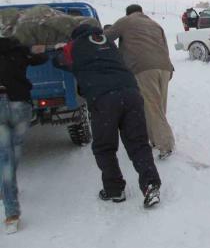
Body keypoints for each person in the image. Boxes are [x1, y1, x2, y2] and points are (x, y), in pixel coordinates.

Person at [53, 24, 161, 208]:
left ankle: (114, 190)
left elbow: (59, 61)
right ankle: (150, 185)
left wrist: (59, 50)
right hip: (131, 93)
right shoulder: (108, 42)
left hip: (103, 98)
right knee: (138, 143)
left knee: (104, 147)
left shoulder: (75, 45)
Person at [104, 5, 175, 160]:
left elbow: (107, 37)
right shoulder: (155, 24)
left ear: (128, 13)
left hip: (143, 67)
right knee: (158, 106)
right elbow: (165, 46)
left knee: (151, 107)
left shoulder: (126, 21)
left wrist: (104, 31)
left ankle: (165, 144)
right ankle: (156, 140)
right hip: (164, 67)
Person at [0, 37, 47, 234]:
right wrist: (35, 50)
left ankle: (12, 212)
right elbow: (42, 59)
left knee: (5, 158)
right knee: (15, 150)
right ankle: (9, 187)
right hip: (20, 105)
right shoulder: (19, 51)